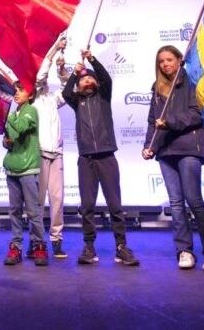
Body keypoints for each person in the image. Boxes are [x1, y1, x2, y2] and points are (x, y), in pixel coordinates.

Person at [142, 45, 204, 272]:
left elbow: (196, 114)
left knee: (194, 201)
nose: (165, 64)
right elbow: (153, 121)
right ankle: (184, 251)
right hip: (165, 151)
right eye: (161, 61)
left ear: (180, 60)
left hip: (189, 148)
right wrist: (149, 146)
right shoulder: (157, 89)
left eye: (169, 59)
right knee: (176, 205)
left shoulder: (193, 83)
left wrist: (169, 121)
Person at [63, 47, 139, 267]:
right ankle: (89, 247)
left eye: (90, 79)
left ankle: (121, 247)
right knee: (87, 205)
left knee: (115, 204)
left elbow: (105, 78)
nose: (86, 82)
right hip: (86, 159)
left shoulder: (103, 96)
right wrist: (74, 75)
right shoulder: (77, 102)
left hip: (107, 157)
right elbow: (67, 93)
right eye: (83, 80)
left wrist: (91, 60)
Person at [3, 81, 47, 266]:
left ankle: (39, 246)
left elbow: (20, 127)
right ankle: (16, 246)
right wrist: (6, 142)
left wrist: (6, 114)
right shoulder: (14, 114)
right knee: (14, 211)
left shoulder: (30, 111)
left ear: (30, 95)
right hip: (12, 168)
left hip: (28, 168)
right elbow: (11, 138)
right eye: (15, 90)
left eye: (21, 90)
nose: (16, 93)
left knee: (33, 212)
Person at [33, 38, 69, 259]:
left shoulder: (53, 98)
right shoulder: (32, 98)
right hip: (37, 156)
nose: (45, 81)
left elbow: (68, 88)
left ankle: (56, 240)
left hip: (56, 155)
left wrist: (61, 67)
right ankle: (36, 241)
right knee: (35, 203)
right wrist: (54, 48)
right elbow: (40, 76)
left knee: (57, 200)